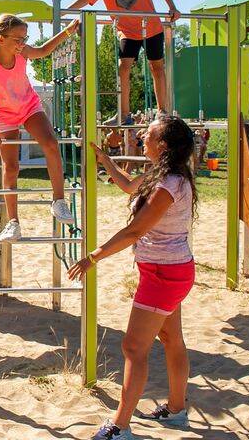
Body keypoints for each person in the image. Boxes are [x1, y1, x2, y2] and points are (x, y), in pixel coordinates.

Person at [69, 115, 199, 440]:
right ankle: (176, 410)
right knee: (171, 340)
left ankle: (120, 426)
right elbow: (128, 185)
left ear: (163, 145)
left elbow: (136, 230)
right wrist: (106, 161)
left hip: (163, 275)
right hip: (172, 270)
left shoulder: (169, 185)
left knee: (133, 348)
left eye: (149, 134)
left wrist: (92, 258)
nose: (142, 136)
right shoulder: (166, 175)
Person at [0, 12, 81, 240]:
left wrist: (67, 32)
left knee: (51, 145)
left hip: (29, 106)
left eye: (24, 38)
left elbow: (44, 50)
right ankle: (13, 222)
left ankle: (58, 201)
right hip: (5, 115)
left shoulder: (22, 53)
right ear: (0, 39)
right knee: (11, 167)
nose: (22, 43)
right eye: (18, 39)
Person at [66, 0, 181, 122]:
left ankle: (162, 111)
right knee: (123, 68)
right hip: (128, 32)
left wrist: (172, 7)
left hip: (151, 28)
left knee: (156, 67)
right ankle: (124, 113)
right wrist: (63, 12)